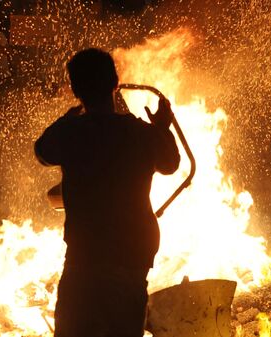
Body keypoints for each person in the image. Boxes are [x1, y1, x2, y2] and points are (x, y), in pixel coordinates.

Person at [34, 48, 180, 337]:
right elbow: (171, 164)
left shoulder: (72, 132)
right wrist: (163, 127)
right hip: (129, 263)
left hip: (83, 262)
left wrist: (67, 118)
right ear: (115, 82)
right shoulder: (140, 133)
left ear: (75, 89)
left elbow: (42, 150)